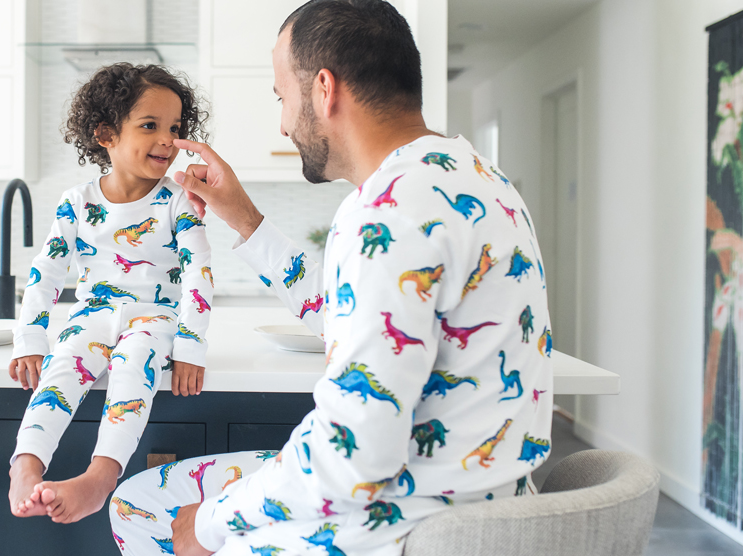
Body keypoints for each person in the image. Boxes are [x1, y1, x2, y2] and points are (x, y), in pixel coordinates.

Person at [108, 1, 553, 554]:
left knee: (143, 507)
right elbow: (359, 315)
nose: (282, 123)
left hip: (402, 527)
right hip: (484, 508)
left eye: (282, 97)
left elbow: (352, 458)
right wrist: (241, 214)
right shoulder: (475, 177)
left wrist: (210, 521)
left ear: (324, 89)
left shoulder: (384, 209)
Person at [8, 63, 214, 524]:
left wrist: (189, 346)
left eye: (176, 128)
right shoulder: (77, 202)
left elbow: (199, 271)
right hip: (92, 313)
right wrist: (31, 340)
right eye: (150, 126)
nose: (168, 139)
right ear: (106, 134)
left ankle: (101, 477)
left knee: (132, 369)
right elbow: (46, 272)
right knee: (61, 370)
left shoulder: (179, 200)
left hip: (156, 315)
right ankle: (26, 463)